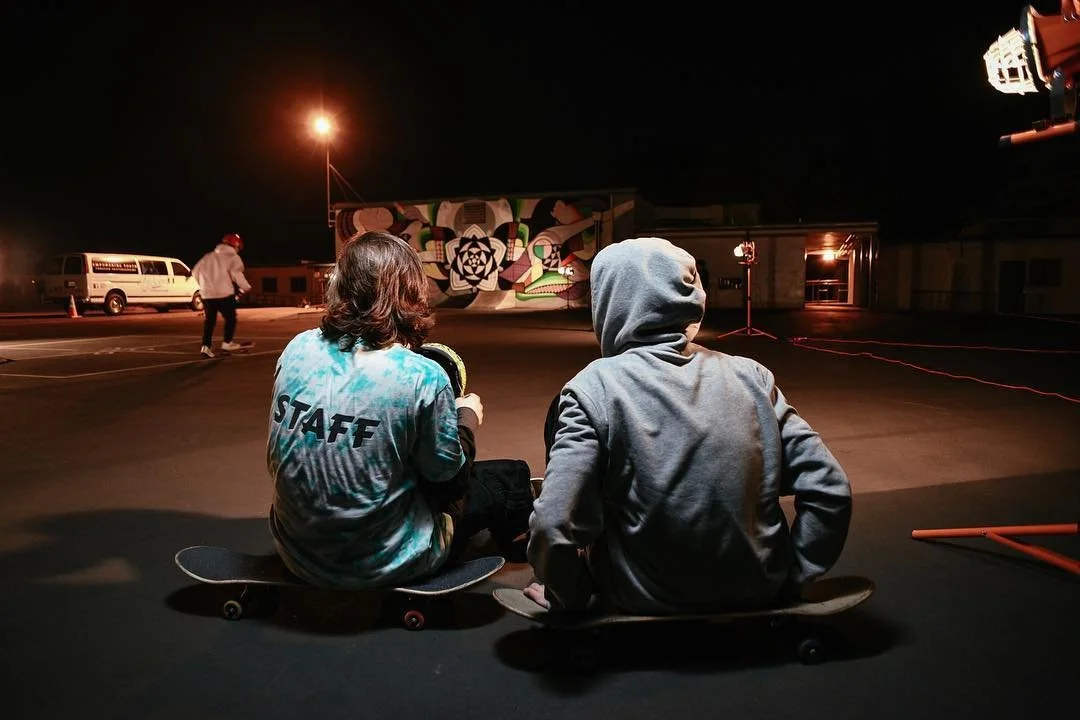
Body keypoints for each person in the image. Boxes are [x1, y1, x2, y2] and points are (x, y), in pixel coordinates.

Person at [524, 236, 852, 614]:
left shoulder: (592, 388)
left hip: (639, 598)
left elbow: (551, 526)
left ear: (608, 301)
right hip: (758, 588)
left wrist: (569, 594)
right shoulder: (754, 377)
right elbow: (830, 489)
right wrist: (793, 575)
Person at [266, 230, 534, 589]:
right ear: (410, 290)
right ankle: (524, 547)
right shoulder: (420, 375)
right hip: (386, 564)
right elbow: (449, 482)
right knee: (509, 477)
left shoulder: (297, 349)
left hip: (297, 552)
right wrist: (465, 418)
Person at [191, 232, 252, 358]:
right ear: (236, 246)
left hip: (207, 294)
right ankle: (227, 342)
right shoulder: (233, 257)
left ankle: (206, 347)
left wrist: (205, 286)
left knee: (209, 321)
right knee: (230, 318)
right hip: (225, 293)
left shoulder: (208, 257)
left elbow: (195, 272)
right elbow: (237, 274)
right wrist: (245, 287)